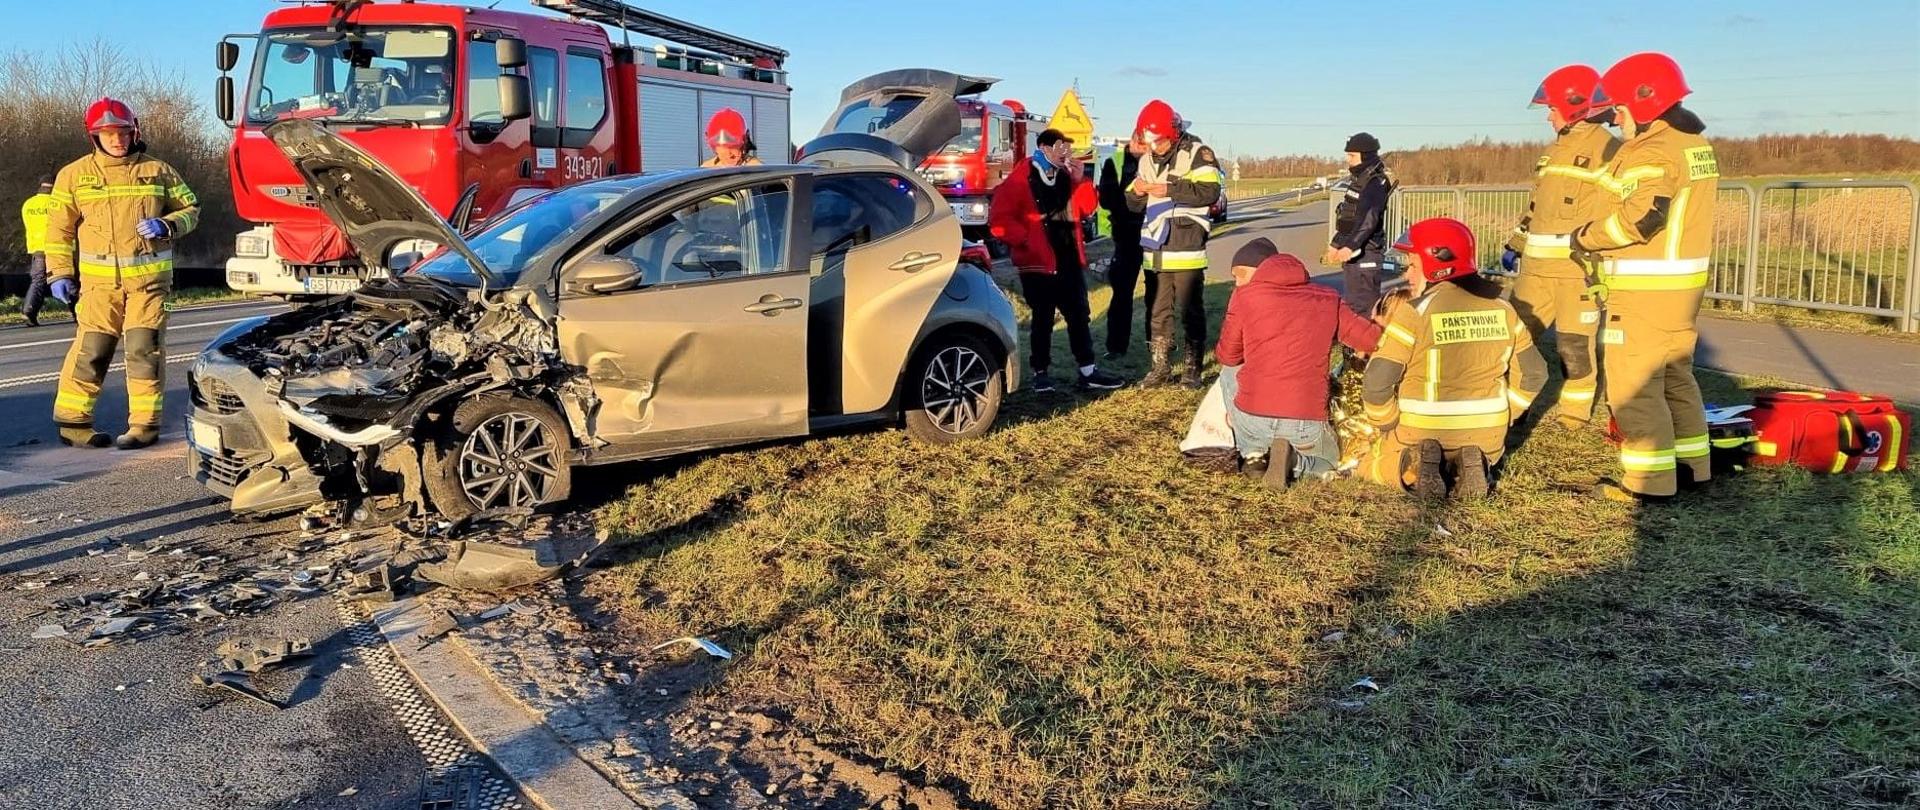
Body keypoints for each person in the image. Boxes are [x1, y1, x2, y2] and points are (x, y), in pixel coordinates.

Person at [1569, 52, 1718, 503]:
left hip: (1646, 289)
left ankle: (1647, 483)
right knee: (1676, 378)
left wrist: (1586, 236)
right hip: (1680, 289)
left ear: (1646, 101)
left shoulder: (1652, 150)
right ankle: (1694, 467)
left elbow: (1643, 217)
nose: (1615, 118)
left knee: (1635, 386)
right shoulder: (1692, 146)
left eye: (1619, 107)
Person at [45, 97, 199, 450]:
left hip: (148, 286)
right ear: (94, 137)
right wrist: (59, 274)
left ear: (135, 132)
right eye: (108, 134)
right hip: (99, 288)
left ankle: (144, 425)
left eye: (124, 133)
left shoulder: (158, 171)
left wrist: (167, 224)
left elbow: (192, 208)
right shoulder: (74, 175)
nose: (117, 140)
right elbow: (58, 232)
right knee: (91, 353)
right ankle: (73, 422)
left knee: (144, 352)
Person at [1356, 218, 1546, 499]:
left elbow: (1376, 381)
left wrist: (1385, 421)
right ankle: (1465, 466)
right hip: (1487, 437)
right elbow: (1535, 374)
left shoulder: (1414, 314)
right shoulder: (1504, 309)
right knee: (1474, 449)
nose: (1407, 275)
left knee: (1367, 466)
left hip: (1419, 433)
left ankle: (1414, 468)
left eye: (1412, 265)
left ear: (1436, 265)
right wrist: (1507, 414)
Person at [1504, 64, 1620, 431]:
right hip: (1535, 272)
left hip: (1576, 273)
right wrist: (1515, 243)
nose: (1548, 117)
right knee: (1511, 340)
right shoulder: (1553, 152)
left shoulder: (1611, 152)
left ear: (1574, 106)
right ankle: (1508, 408)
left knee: (1575, 349)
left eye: (1551, 109)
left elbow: (1617, 211)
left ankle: (1574, 417)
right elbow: (1537, 206)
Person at [1215, 238, 1383, 490]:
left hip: (1253, 419)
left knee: (1230, 372)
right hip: (1305, 423)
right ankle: (1297, 462)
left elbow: (1228, 357)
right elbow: (1372, 340)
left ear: (1259, 272)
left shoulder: (1245, 298)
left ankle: (1254, 454)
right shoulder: (1328, 299)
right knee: (1330, 463)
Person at [988, 128, 1125, 392]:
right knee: (1043, 318)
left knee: (1078, 315)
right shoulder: (1021, 178)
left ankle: (1088, 371)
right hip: (1037, 263)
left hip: (1069, 259)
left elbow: (1087, 208)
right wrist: (1026, 239)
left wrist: (1079, 180)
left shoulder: (1067, 175)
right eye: (1061, 146)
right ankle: (1041, 373)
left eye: (1068, 148)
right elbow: (999, 220)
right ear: (1045, 147)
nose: (1067, 152)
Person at [1126, 100, 1223, 389]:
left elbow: (1210, 192)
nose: (1153, 147)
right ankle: (1160, 367)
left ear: (1173, 132)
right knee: (1157, 310)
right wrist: (1139, 192)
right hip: (1155, 247)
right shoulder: (1145, 159)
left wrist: (1170, 189)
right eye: (1149, 142)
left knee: (1190, 309)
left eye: (1158, 141)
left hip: (1186, 245)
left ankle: (1192, 368)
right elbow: (1131, 202)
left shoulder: (1197, 153)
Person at [1324, 132, 1395, 317]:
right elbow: (1349, 218)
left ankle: (1369, 345)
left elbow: (1369, 219)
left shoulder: (1375, 183)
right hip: (1355, 255)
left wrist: (1350, 246)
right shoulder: (1359, 181)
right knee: (1353, 307)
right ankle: (1356, 345)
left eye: (1352, 156)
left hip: (1367, 252)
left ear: (1366, 155)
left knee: (1364, 310)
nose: (1349, 160)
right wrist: (1336, 243)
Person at [1097, 136, 1151, 359]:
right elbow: (1106, 200)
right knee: (1121, 295)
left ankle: (1156, 347)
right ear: (1135, 141)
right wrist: (1133, 194)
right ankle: (1116, 348)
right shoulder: (1115, 162)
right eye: (1145, 144)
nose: (1148, 149)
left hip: (1154, 235)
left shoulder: (1157, 163)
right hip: (1126, 237)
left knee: (1156, 294)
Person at [18, 175, 55, 327]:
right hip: (57, 248)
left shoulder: (28, 204)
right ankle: (79, 312)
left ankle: (28, 311)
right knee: (68, 279)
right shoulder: (56, 203)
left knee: (38, 281)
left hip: (37, 249)